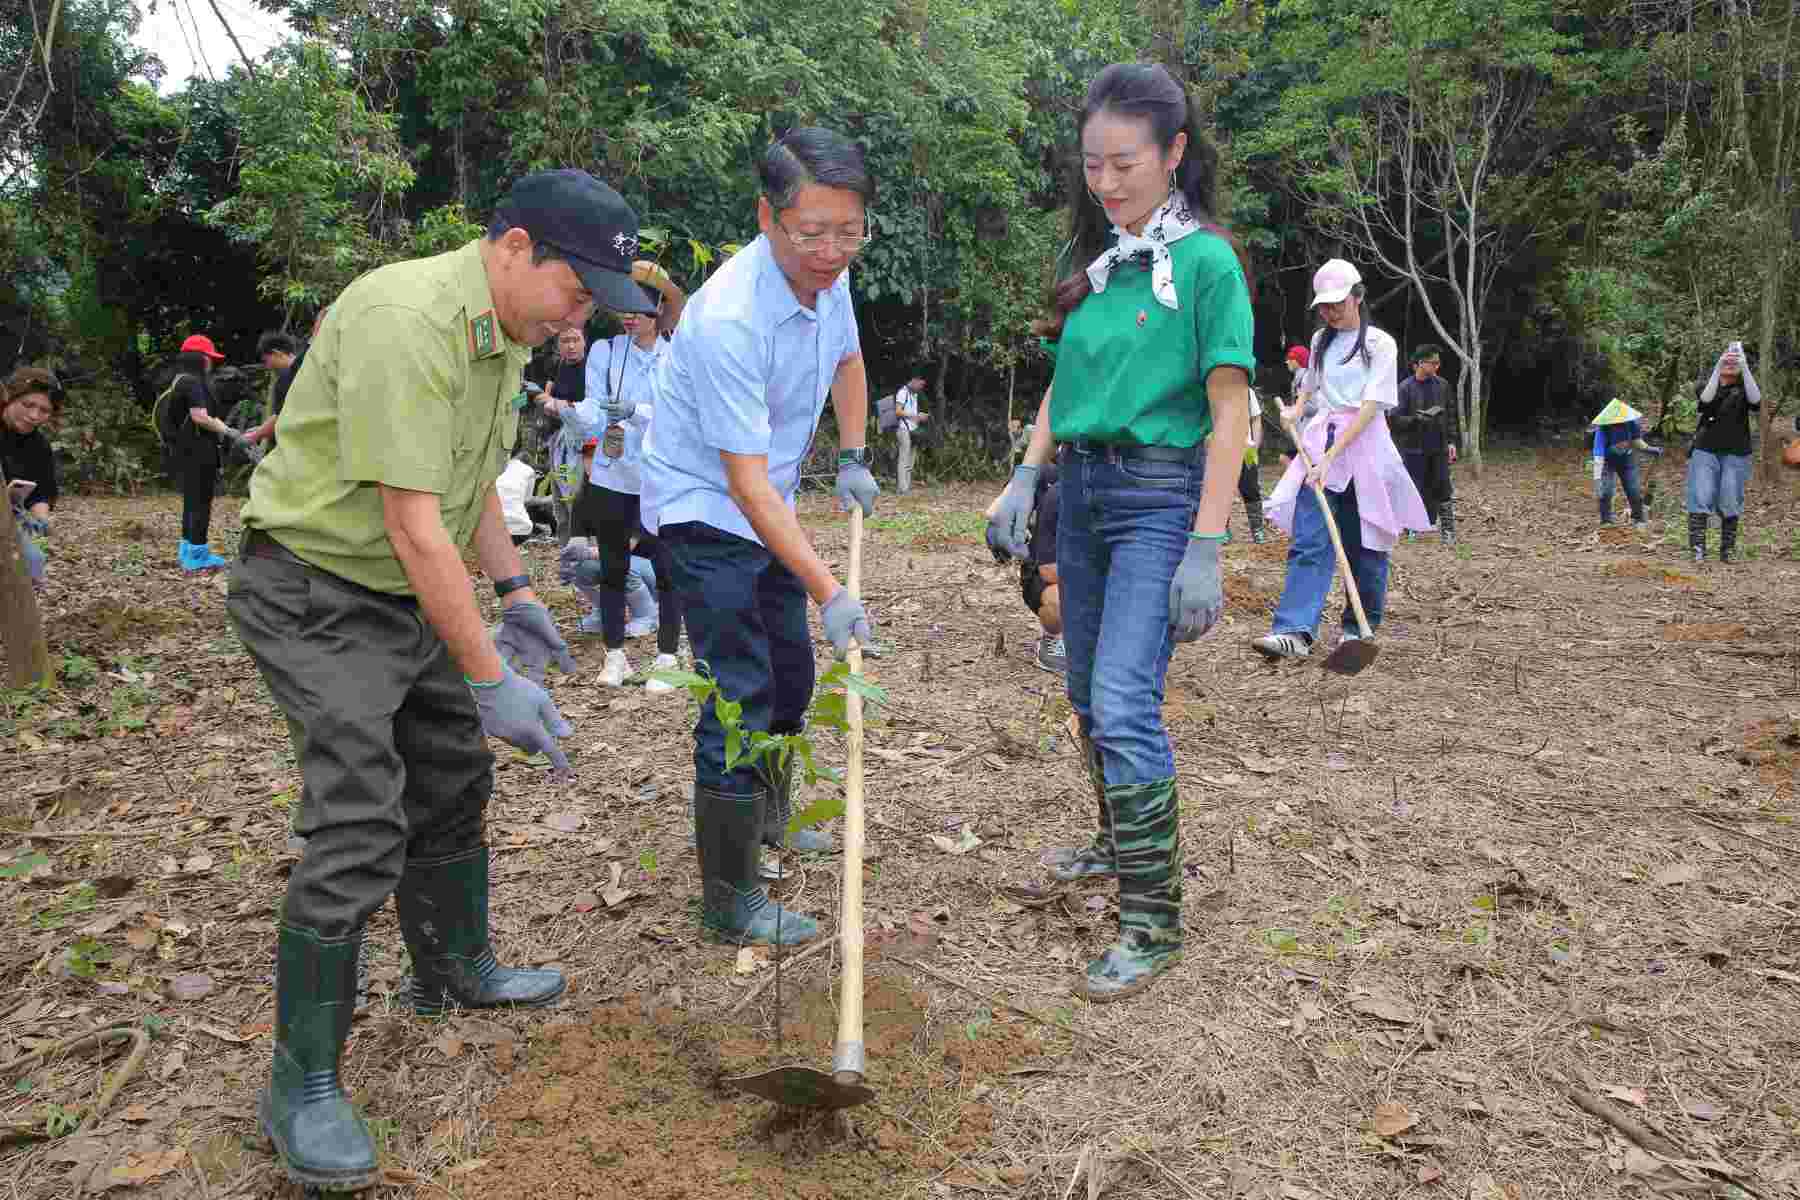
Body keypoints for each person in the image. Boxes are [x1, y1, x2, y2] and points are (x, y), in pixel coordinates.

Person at [226, 169, 654, 1192]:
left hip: (400, 587)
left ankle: (452, 966)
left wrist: (513, 589)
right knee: (359, 813)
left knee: (453, 771)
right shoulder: (405, 319)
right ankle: (303, 1083)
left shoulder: (500, 338)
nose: (578, 316)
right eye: (576, 289)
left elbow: (463, 490)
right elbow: (414, 525)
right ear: (513, 248)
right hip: (315, 588)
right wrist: (492, 674)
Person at [984, 64, 1253, 1002]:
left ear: (1175, 154)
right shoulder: (1100, 263)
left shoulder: (1208, 264)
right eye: (1093, 165)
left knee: (1128, 702)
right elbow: (1068, 386)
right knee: (1091, 694)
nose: (1106, 182)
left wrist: (1208, 544)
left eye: (1125, 163)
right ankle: (1114, 840)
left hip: (1157, 497)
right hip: (1085, 492)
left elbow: (1230, 412)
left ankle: (1154, 920)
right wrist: (1026, 473)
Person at [641, 127, 878, 947]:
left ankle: (773, 818)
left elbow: (847, 362)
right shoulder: (728, 317)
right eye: (811, 232)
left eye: (848, 231)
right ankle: (730, 896)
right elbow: (740, 483)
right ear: (767, 217)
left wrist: (852, 454)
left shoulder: (830, 277)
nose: (831, 250)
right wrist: (833, 590)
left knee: (791, 666)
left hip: (763, 504)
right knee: (738, 687)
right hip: (704, 509)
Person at [1253, 260, 1430, 661]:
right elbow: (1311, 390)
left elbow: (1370, 408)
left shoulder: (1379, 344)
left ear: (1358, 296)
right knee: (1311, 540)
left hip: (1364, 449)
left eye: (1338, 303)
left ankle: (1357, 629)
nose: (1331, 312)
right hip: (1320, 446)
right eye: (1325, 306)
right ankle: (1294, 631)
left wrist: (1332, 456)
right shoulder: (1320, 341)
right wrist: (1295, 413)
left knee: (1365, 542)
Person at [560, 268, 689, 689]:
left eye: (639, 309)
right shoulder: (605, 351)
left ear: (658, 309)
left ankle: (668, 655)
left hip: (661, 476)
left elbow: (682, 416)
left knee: (669, 569)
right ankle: (615, 655)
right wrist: (573, 414)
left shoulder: (677, 354)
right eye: (624, 308)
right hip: (614, 474)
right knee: (612, 566)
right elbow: (594, 409)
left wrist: (637, 412)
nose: (630, 318)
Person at [160, 335, 240, 573]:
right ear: (199, 359)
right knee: (201, 502)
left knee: (192, 501)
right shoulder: (193, 383)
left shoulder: (179, 380)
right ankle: (197, 554)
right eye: (208, 358)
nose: (211, 363)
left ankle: (187, 549)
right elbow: (199, 417)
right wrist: (229, 431)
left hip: (184, 450)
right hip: (198, 451)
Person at [1686, 342, 1761, 563]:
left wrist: (1744, 366)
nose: (1730, 363)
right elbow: (1706, 400)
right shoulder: (1706, 384)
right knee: (1701, 495)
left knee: (1730, 499)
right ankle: (1698, 548)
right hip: (1705, 449)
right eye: (1726, 359)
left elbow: (1757, 401)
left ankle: (1727, 550)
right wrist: (1719, 366)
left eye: (1734, 361)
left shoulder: (1745, 387)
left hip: (1736, 452)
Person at [1392, 343, 1459, 544]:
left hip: (1437, 445)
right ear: (1419, 364)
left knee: (1443, 486)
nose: (1437, 367)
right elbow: (1394, 419)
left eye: (1438, 363)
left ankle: (1448, 530)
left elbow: (1450, 415)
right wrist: (1415, 419)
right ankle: (1412, 527)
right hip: (1413, 447)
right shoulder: (1404, 388)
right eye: (1433, 363)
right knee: (1415, 486)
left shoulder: (1443, 385)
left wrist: (1451, 441)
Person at [2, 367, 61, 587]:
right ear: (9, 398)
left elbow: (42, 491)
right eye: (27, 405)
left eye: (44, 410)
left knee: (33, 563)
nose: (35, 416)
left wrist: (43, 520)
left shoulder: (39, 446)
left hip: (9, 515)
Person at [1588, 397, 1655, 529]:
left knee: (1634, 490)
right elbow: (1598, 456)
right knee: (1605, 491)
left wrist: (1650, 449)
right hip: (1607, 462)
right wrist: (1597, 480)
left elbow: (1637, 441)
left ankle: (1638, 518)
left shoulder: (1631, 424)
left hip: (1627, 460)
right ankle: (1606, 520)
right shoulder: (1603, 429)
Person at [1236, 386, 1267, 543]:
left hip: (1246, 449)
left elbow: (1256, 418)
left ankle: (1257, 529)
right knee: (1221, 490)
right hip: (1220, 449)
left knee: (1251, 489)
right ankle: (1222, 528)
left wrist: (1255, 444)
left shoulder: (1247, 392)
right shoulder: (1213, 387)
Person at [893, 375, 929, 493]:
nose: (921, 387)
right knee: (903, 459)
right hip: (903, 430)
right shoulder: (902, 393)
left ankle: (907, 487)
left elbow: (910, 412)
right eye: (920, 384)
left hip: (913, 430)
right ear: (914, 381)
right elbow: (898, 411)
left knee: (911, 460)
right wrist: (916, 416)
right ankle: (902, 488)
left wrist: (920, 416)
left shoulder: (914, 394)